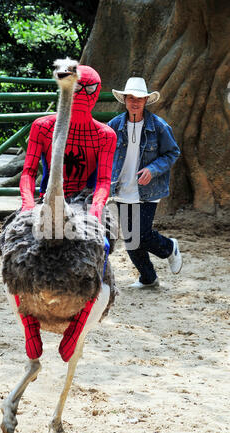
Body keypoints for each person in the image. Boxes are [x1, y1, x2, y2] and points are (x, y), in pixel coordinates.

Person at [16, 64, 117, 362]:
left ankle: (83, 315)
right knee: (13, 246)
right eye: (77, 88)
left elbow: (103, 181)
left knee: (103, 250)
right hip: (47, 198)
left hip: (85, 201)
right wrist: (26, 204)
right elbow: (28, 172)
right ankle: (27, 323)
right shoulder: (43, 126)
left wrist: (97, 208)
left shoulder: (105, 135)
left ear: (97, 93)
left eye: (88, 89)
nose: (82, 95)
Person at [108, 76, 182, 288]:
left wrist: (153, 168)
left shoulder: (159, 127)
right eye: (130, 97)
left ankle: (169, 247)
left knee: (141, 234)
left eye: (139, 98)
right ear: (124, 99)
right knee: (131, 241)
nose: (135, 102)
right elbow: (105, 156)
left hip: (148, 191)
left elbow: (172, 153)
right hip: (122, 189)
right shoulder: (113, 126)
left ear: (146, 100)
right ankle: (148, 278)